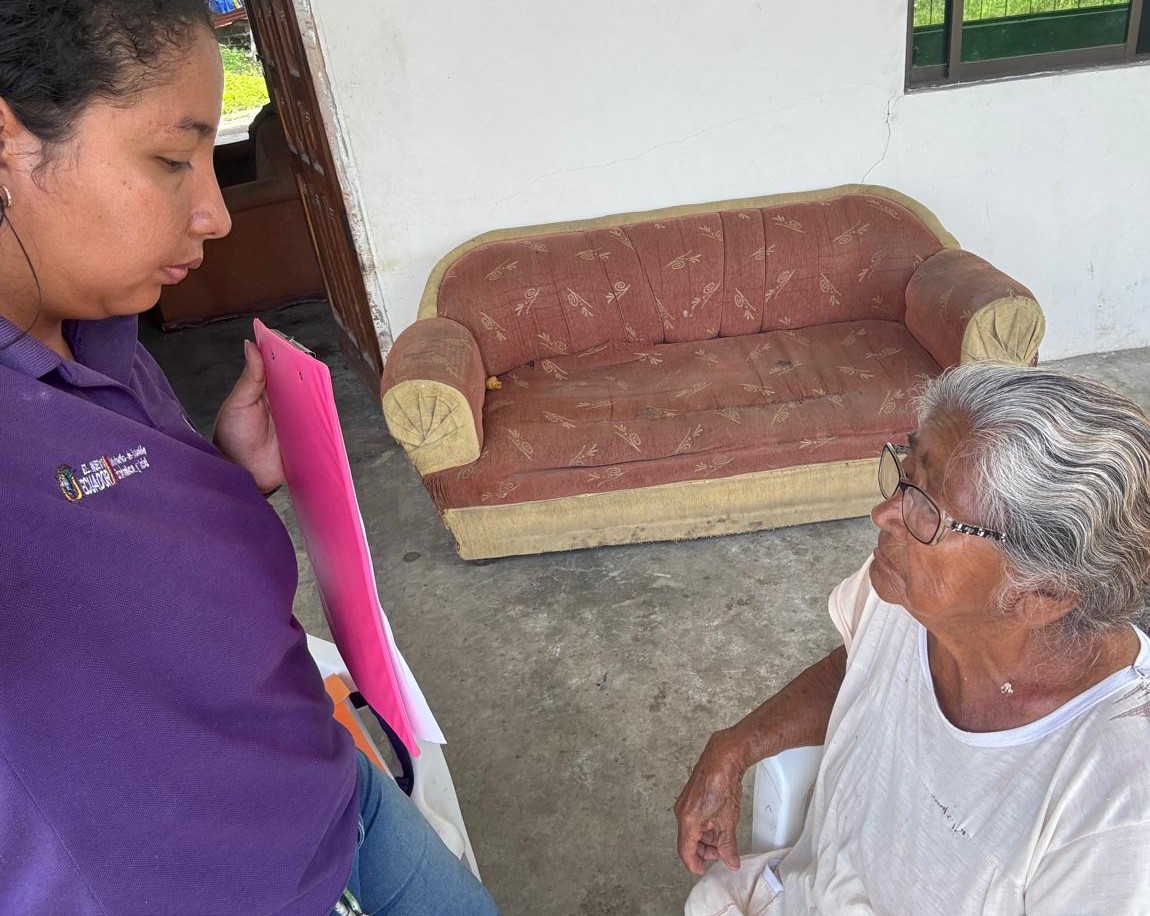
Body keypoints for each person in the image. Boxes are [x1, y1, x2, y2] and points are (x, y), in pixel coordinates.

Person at [0, 3, 498, 914]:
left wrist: (223, 480)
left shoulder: (100, 333)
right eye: (171, 159)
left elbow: (122, 581)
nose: (216, 214)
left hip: (329, 792)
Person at [675, 362, 1150, 914]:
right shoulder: (906, 595)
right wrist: (735, 746)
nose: (883, 515)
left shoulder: (1118, 807)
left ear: (1042, 592)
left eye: (930, 511)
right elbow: (856, 666)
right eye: (907, 476)